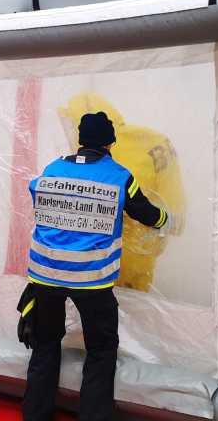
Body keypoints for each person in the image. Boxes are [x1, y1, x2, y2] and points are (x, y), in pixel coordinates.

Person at [18, 111, 168, 421]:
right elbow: (146, 213)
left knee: (44, 343)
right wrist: (166, 219)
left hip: (46, 274)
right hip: (91, 279)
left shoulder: (53, 168)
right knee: (100, 350)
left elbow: (36, 192)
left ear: (80, 140)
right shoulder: (119, 175)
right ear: (110, 142)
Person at [58, 93, 185, 292]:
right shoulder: (148, 145)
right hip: (103, 258)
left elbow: (156, 203)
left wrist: (167, 224)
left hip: (126, 258)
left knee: (119, 311)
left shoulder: (148, 146)